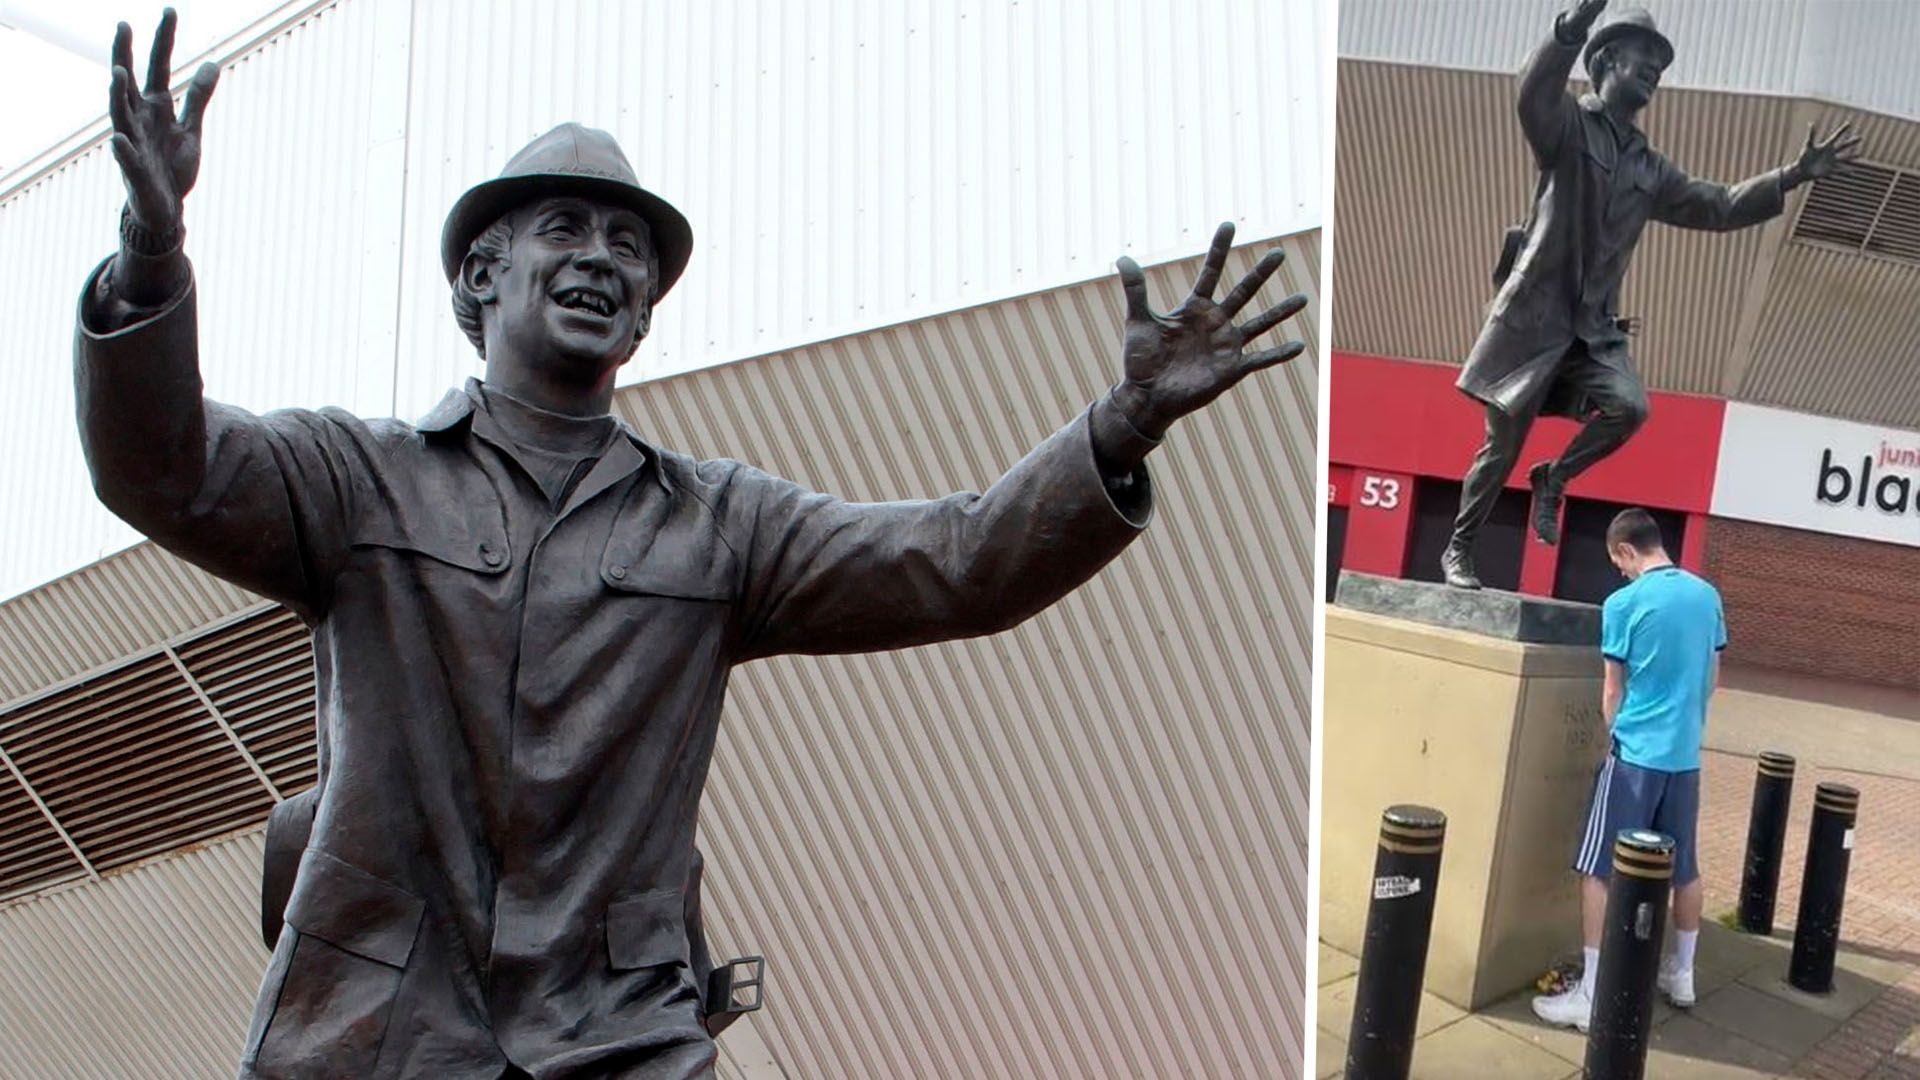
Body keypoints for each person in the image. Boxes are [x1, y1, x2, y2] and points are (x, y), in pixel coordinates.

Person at [77, 12, 1310, 1080]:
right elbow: (163, 468)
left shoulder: (722, 524)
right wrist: (150, 253)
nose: (603, 261)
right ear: (480, 277)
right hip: (378, 1031)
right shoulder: (358, 482)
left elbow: (965, 558)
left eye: (632, 250)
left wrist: (1124, 419)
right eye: (566, 229)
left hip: (618, 1037)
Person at [1440, 0, 1861, 590]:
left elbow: (1718, 204)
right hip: (1535, 320)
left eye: (1660, 68)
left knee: (1630, 407)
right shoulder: (1568, 125)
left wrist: (1789, 176)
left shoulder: (1649, 166)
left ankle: (1554, 479)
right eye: (1645, 61)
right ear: (1608, 61)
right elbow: (1531, 91)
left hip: (1592, 333)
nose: (1654, 74)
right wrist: (1573, 24)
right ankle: (1459, 547)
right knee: (1500, 447)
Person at [1532, 508, 1725, 1030]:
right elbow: (1711, 676)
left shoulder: (1624, 602)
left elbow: (1612, 689)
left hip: (1636, 755)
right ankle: (1681, 974)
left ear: (1624, 551)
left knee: (1598, 868)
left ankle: (1592, 995)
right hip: (1686, 756)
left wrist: (1618, 733)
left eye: (1617, 562)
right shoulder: (1707, 595)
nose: (1618, 571)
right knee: (1683, 867)